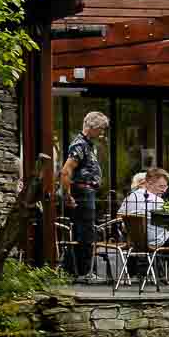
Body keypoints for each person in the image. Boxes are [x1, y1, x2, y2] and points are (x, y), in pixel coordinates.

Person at [64, 110, 108, 280]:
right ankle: (84, 272)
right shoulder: (79, 145)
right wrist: (68, 195)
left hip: (87, 192)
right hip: (82, 192)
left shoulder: (89, 145)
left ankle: (80, 270)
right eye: (100, 129)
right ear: (92, 127)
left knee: (86, 232)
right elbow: (66, 170)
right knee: (85, 233)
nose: (102, 133)